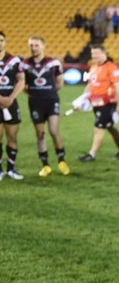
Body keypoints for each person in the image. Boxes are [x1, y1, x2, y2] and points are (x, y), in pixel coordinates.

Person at [20, 36, 69, 177]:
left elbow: (60, 83)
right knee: (40, 134)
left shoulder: (53, 63)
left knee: (54, 130)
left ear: (43, 46)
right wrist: (34, 93)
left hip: (51, 100)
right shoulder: (25, 65)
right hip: (35, 102)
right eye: (31, 45)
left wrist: (49, 92)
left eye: (36, 45)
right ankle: (45, 165)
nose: (33, 48)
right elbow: (22, 84)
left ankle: (62, 161)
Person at [77, 44, 119, 162]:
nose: (94, 56)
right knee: (109, 127)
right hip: (96, 103)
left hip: (108, 103)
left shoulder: (111, 67)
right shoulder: (93, 67)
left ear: (104, 53)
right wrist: (83, 99)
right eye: (93, 54)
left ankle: (91, 154)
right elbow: (90, 85)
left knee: (99, 128)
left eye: (97, 53)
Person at [0, 31, 26, 181]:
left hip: (10, 104)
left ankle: (11, 169)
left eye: (2, 40)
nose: (0, 43)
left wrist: (10, 98)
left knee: (12, 137)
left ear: (5, 42)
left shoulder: (14, 60)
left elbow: (21, 81)